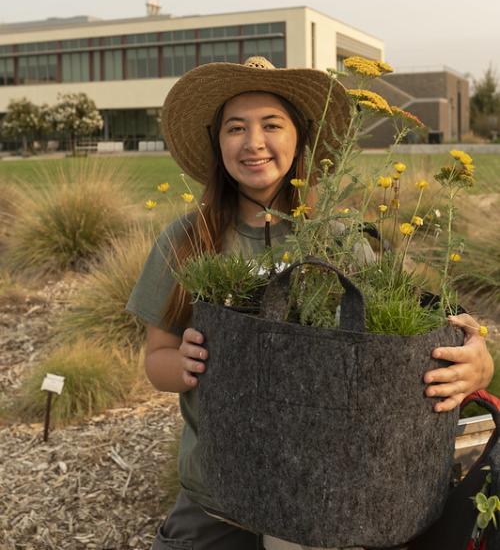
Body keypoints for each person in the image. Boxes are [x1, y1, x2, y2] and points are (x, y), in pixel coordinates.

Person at [127, 56, 494, 550]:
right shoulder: (187, 240)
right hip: (219, 486)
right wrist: (185, 364)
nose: (253, 142)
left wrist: (475, 360)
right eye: (236, 127)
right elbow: (157, 359)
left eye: (271, 125)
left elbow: (404, 340)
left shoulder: (343, 241)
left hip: (324, 486)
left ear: (300, 137)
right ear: (218, 143)